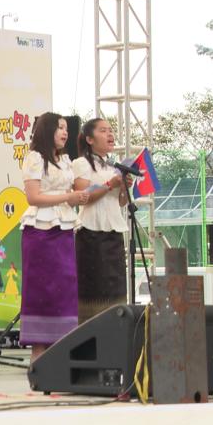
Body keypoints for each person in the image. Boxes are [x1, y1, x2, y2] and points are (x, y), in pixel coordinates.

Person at [20, 112, 89, 362]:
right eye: (59, 127)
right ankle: (38, 354)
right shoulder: (35, 158)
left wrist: (79, 195)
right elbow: (33, 197)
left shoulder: (66, 160)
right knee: (41, 288)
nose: (65, 132)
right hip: (40, 230)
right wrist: (68, 197)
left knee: (64, 287)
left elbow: (71, 191)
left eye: (66, 128)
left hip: (63, 227)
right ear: (46, 130)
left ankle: (60, 350)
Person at [72, 118, 130, 323]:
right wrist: (109, 184)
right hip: (90, 233)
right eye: (103, 131)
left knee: (114, 286)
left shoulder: (115, 166)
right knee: (93, 286)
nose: (110, 135)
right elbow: (82, 195)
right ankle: (89, 332)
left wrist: (123, 188)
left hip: (113, 231)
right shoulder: (80, 163)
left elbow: (121, 202)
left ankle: (113, 328)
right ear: (89, 138)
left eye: (111, 130)